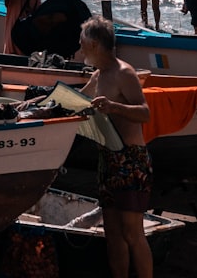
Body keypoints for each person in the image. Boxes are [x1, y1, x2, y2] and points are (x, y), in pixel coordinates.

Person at [79, 16, 153, 278]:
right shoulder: (98, 74)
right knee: (112, 232)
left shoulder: (124, 72)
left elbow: (144, 112)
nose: (79, 46)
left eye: (82, 41)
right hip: (107, 158)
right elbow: (76, 98)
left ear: (95, 43)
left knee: (133, 232)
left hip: (130, 160)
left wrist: (114, 107)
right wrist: (35, 101)